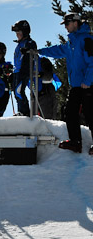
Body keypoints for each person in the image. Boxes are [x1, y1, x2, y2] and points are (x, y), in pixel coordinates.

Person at [37, 12, 93, 154]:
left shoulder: (86, 39)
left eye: (67, 24)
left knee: (90, 113)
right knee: (69, 112)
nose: (66, 27)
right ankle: (75, 143)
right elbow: (57, 50)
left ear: (75, 23)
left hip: (88, 85)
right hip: (76, 85)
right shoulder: (71, 43)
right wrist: (39, 51)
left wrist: (87, 81)